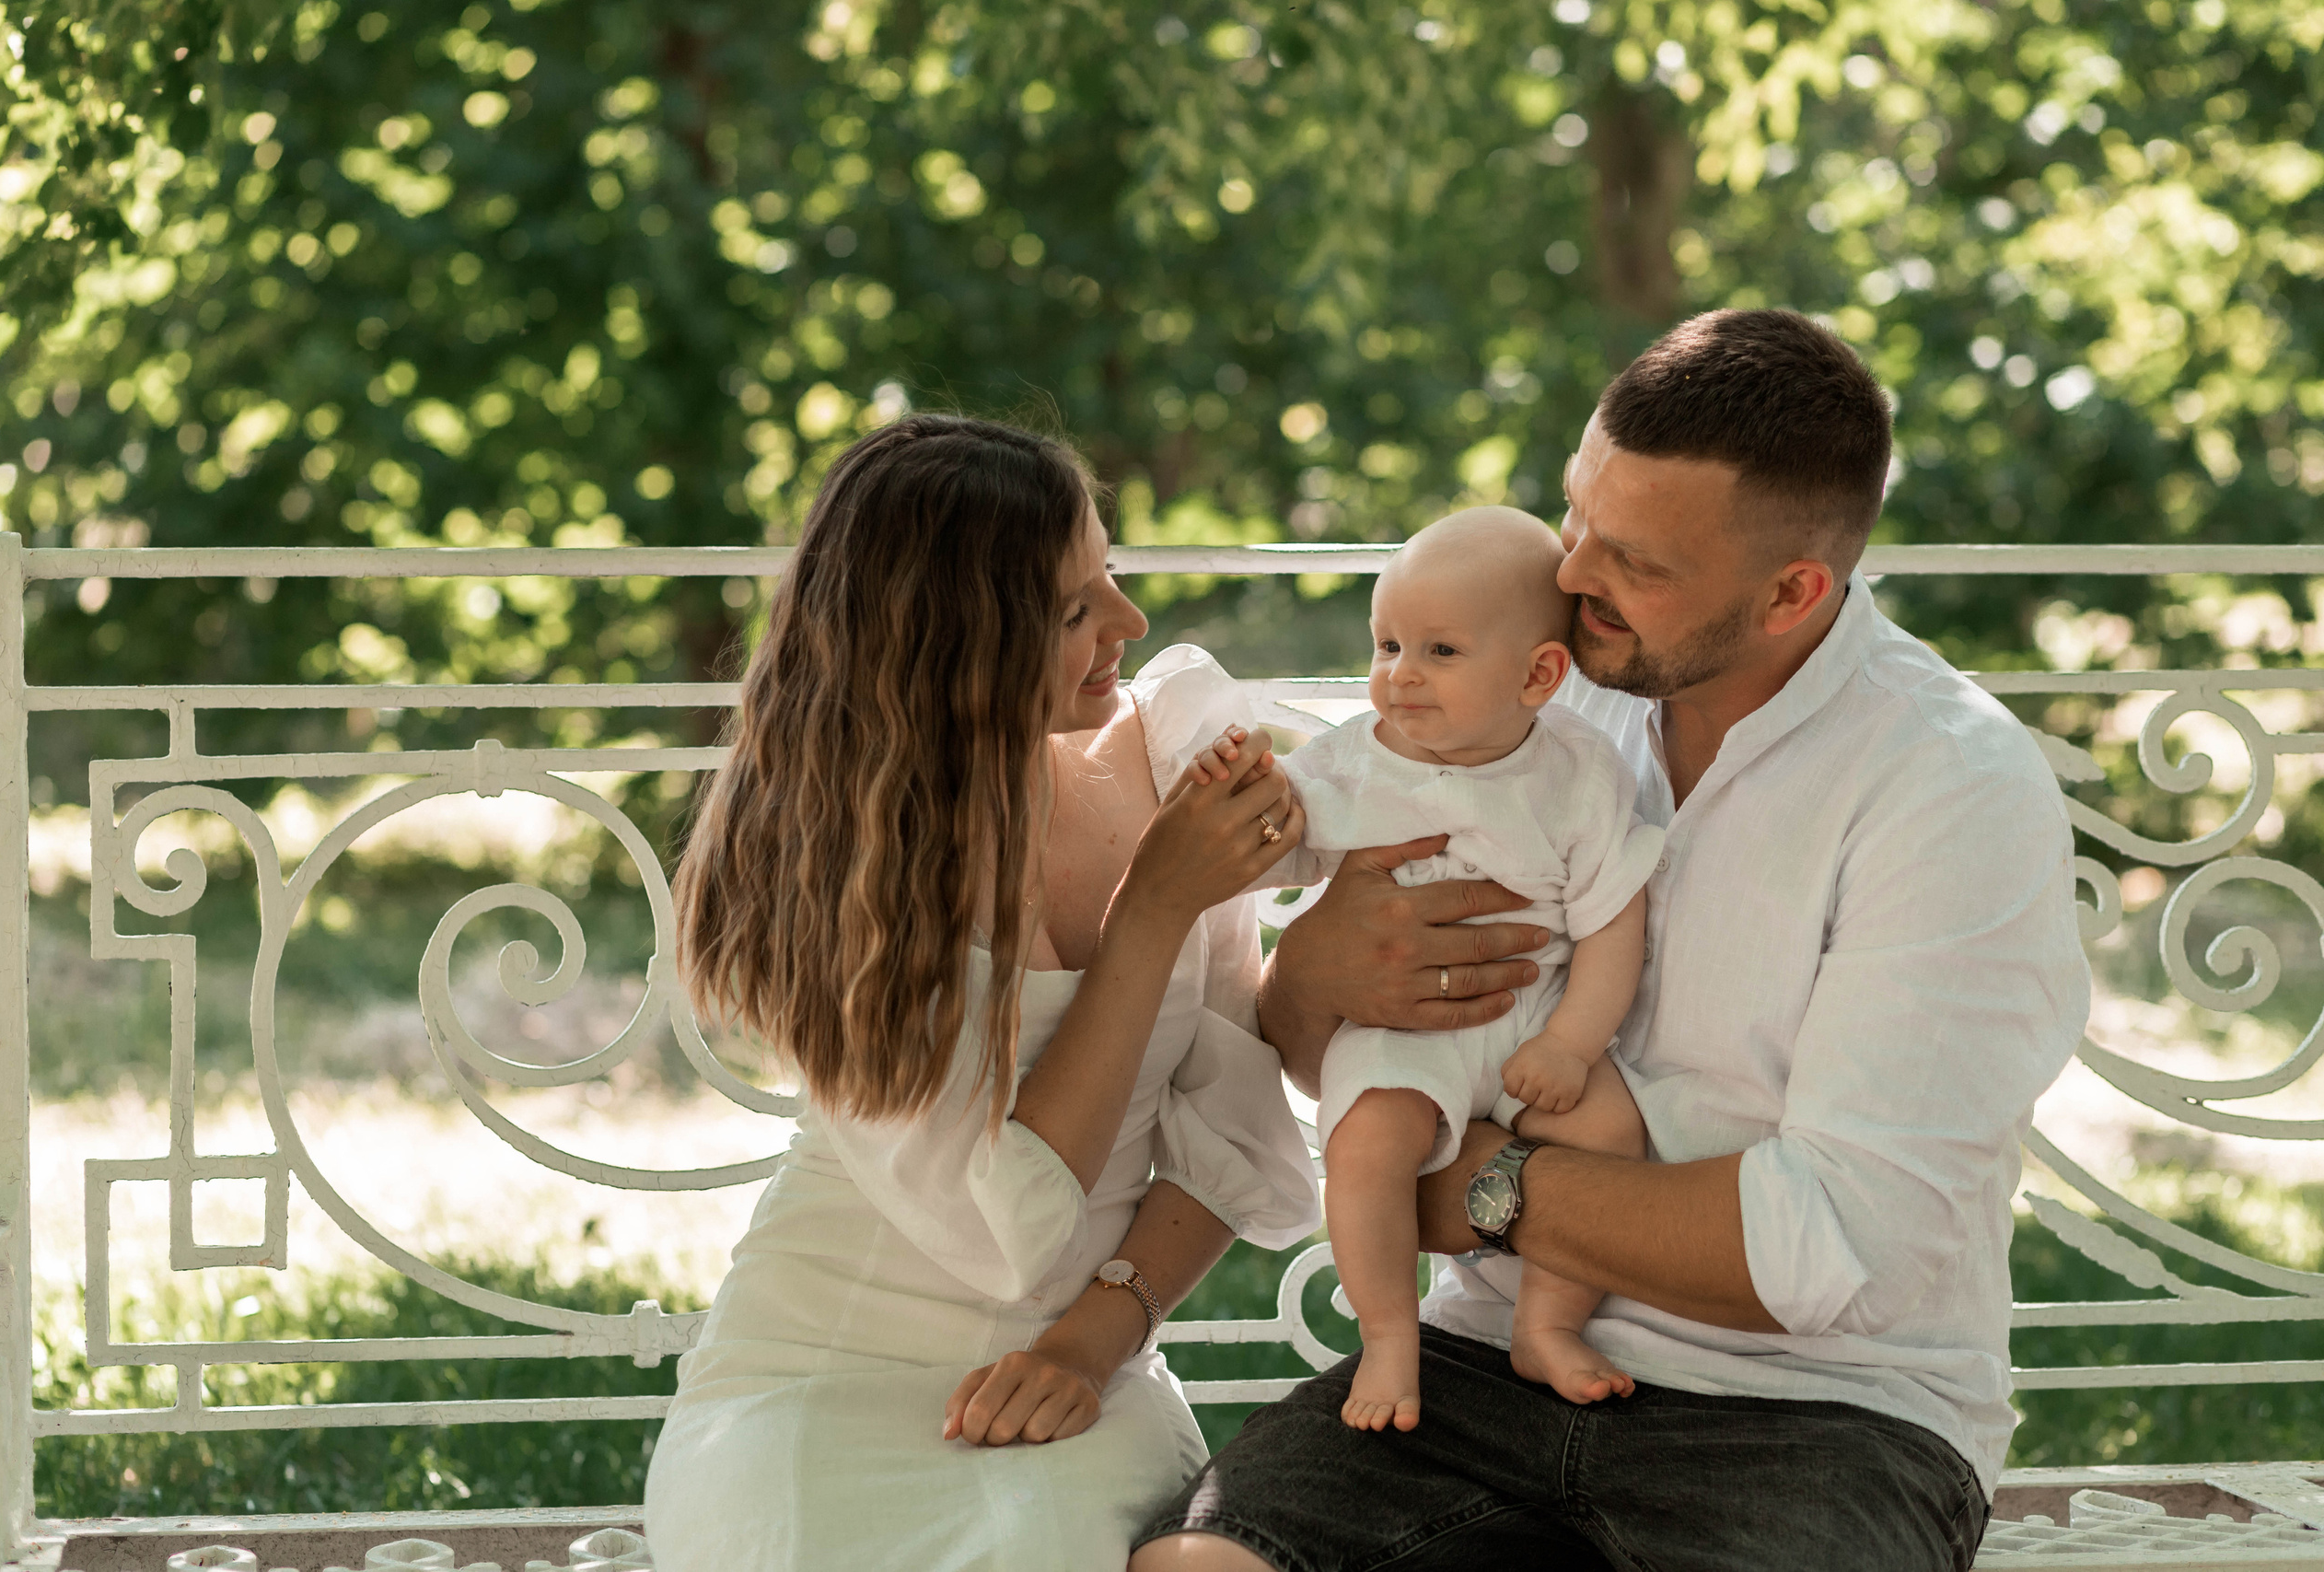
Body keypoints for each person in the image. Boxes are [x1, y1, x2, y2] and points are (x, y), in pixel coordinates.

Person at [1133, 309, 2092, 1571]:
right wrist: (1317, 968)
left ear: (1792, 592)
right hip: (1477, 1367)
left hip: (1823, 1417)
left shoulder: (1948, 788)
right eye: (1576, 512)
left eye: (1632, 558)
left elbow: (1817, 1253)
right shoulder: (1535, 685)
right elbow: (1319, 1047)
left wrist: (1479, 1184)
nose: (1572, 572)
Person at [644, 413, 1322, 1571]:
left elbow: (1231, 1140)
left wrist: (1087, 1349)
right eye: (1072, 610)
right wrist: (1147, 914)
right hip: (820, 1371)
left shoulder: (1165, 761)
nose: (1129, 624)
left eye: (1109, 575)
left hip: (1086, 1359)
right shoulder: (846, 861)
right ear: (954, 649)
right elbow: (1009, 1231)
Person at [1183, 507, 1657, 1431]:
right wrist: (1245, 795)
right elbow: (1279, 855)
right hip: (1400, 1031)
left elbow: (1612, 924)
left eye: (1439, 652)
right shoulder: (1351, 766)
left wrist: (1569, 1045)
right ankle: (1391, 1336)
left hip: (1536, 1014)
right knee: (1365, 1150)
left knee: (1610, 1139)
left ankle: (1547, 1322)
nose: (1399, 674)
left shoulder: (1580, 774)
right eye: (1387, 642)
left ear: (1537, 674)